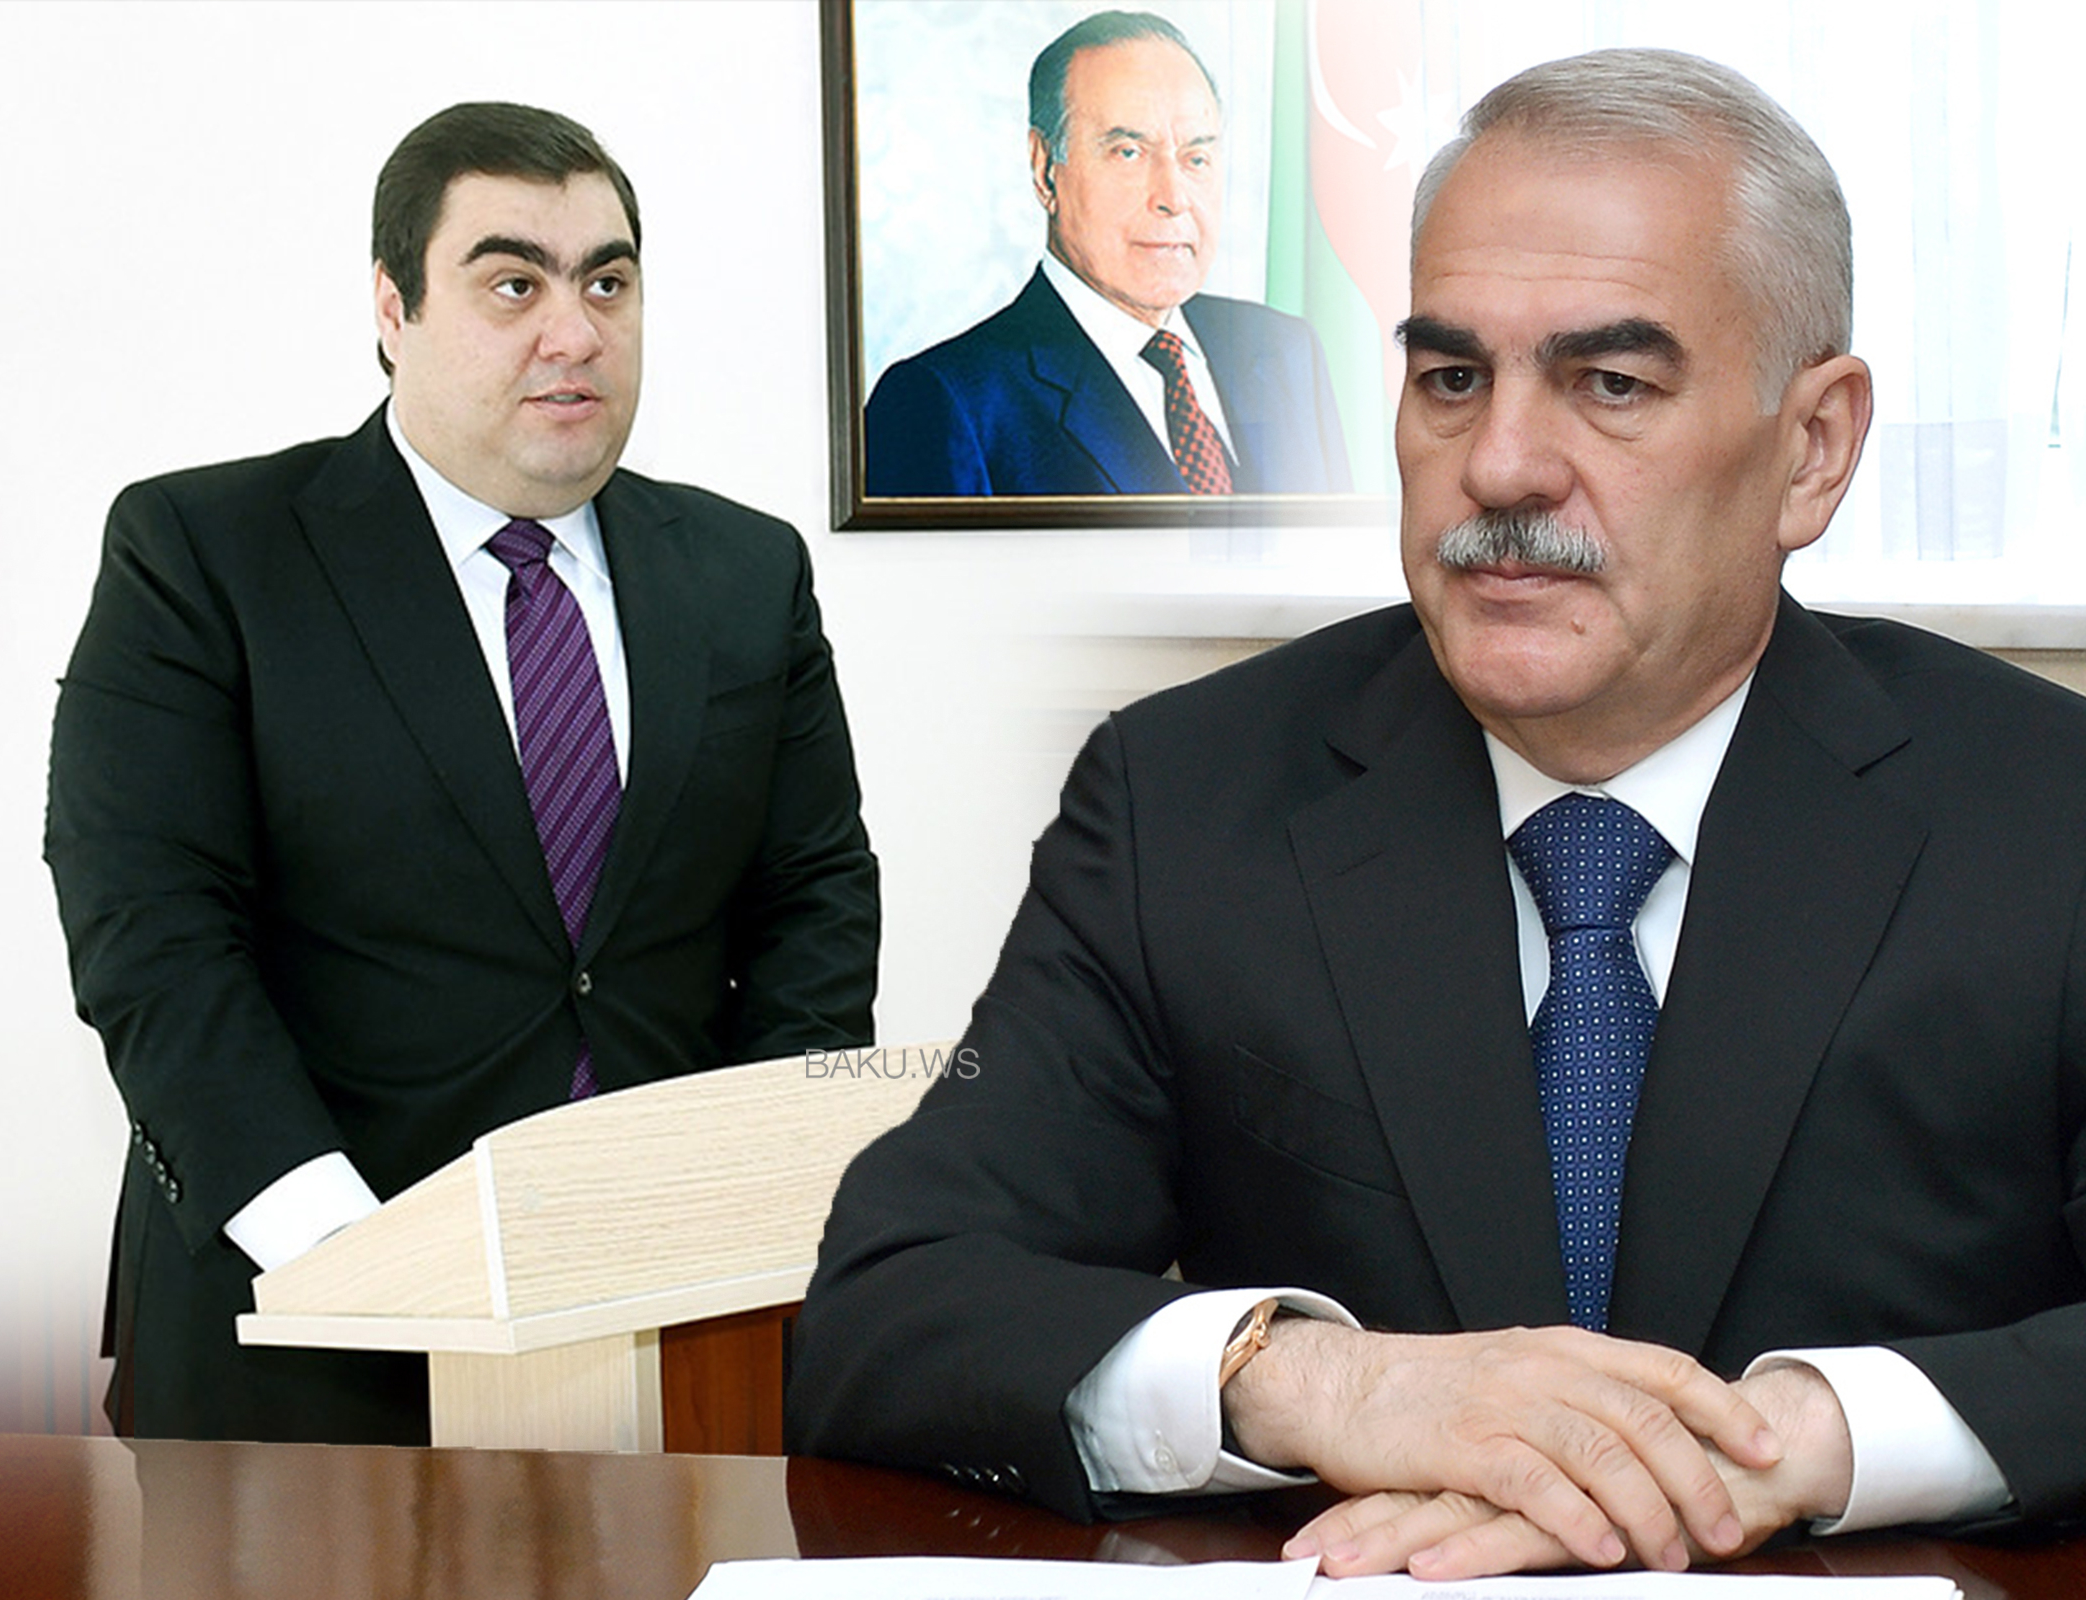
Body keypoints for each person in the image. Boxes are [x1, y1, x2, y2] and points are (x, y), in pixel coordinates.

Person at [789, 46, 2086, 1578]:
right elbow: (889, 1309)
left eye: (1612, 384)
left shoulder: (2045, 815)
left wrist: (1814, 1439)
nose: (1502, 466)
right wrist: (1317, 1382)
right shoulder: (1184, 801)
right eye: (1452, 378)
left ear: (1813, 449)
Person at [46, 102, 880, 1445]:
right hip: (301, 1334)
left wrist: (742, 1199)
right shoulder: (204, 553)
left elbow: (814, 903)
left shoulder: (745, 570)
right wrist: (354, 1259)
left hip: (672, 1329)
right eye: (512, 284)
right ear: (394, 307)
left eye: (607, 282)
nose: (574, 332)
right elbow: (152, 936)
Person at [864, 10, 1351, 498]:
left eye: (1196, 158)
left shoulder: (1286, 351)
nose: (1173, 197)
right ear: (1045, 170)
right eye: (1128, 153)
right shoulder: (942, 404)